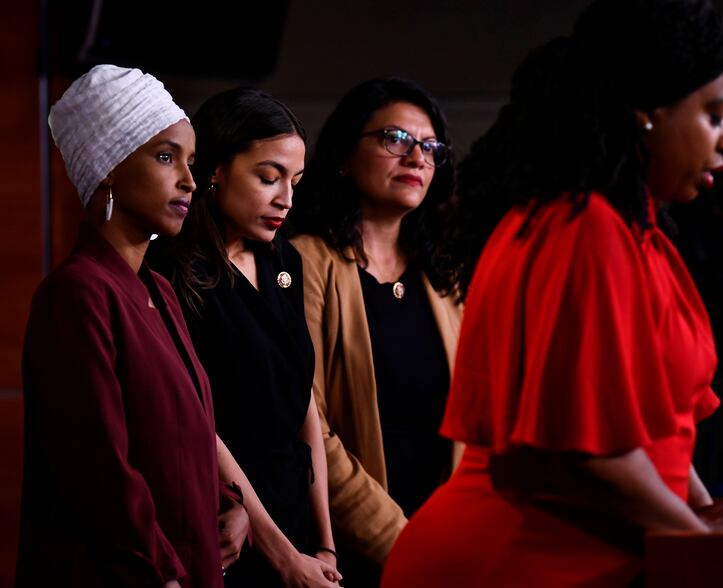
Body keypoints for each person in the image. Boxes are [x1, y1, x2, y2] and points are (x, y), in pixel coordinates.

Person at [381, 1, 723, 586]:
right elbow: (586, 455)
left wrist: (703, 517)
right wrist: (705, 540)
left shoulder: (634, 230)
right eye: (717, 114)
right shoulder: (582, 228)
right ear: (649, 109)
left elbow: (665, 435)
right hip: (512, 560)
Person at [17, 64, 247, 587]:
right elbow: (99, 476)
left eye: (191, 161)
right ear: (108, 168)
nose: (190, 180)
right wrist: (164, 573)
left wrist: (231, 505)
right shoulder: (75, 296)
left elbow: (188, 432)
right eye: (166, 157)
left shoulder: (158, 291)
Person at [149, 87, 341, 587]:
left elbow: (305, 406)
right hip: (230, 528)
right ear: (214, 170)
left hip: (297, 519)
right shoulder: (172, 270)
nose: (286, 200)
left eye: (295, 182)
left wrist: (324, 543)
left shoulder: (286, 261)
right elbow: (199, 423)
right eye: (268, 177)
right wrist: (283, 557)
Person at [288, 78, 462, 584]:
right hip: (353, 556)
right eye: (395, 138)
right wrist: (400, 543)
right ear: (344, 156)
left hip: (449, 548)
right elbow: (310, 426)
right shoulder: (305, 261)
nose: (417, 158)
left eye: (430, 147)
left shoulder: (445, 279)